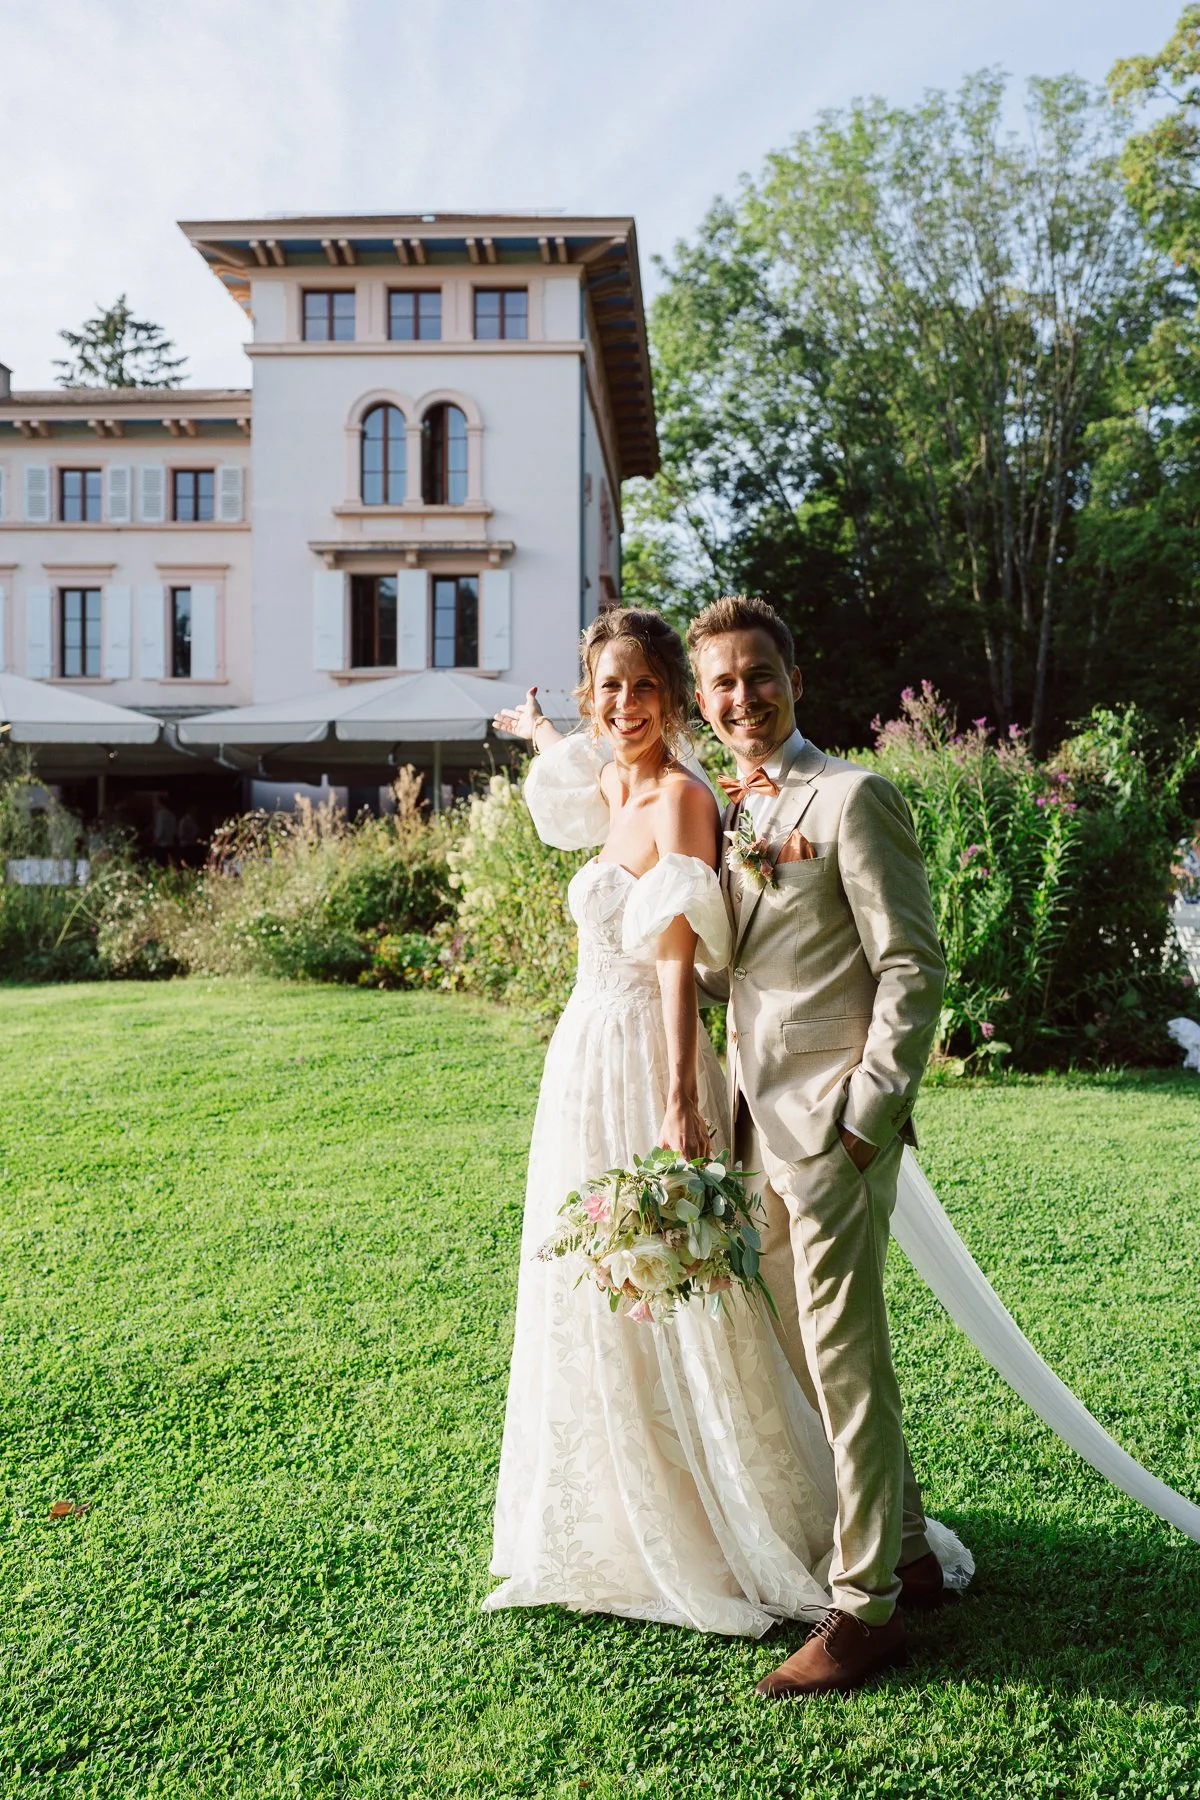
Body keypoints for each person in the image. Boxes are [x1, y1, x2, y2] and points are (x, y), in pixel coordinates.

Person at [484, 606, 972, 1652]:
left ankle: (863, 1611)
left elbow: (912, 968)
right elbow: (718, 964)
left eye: (760, 674)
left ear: (793, 674)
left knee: (842, 1358)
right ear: (703, 699)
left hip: (829, 1124)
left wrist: (864, 1119)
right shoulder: (735, 806)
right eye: (724, 683)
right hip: (747, 1118)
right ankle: (913, 1551)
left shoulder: (852, 796)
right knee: (796, 1354)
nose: (743, 696)